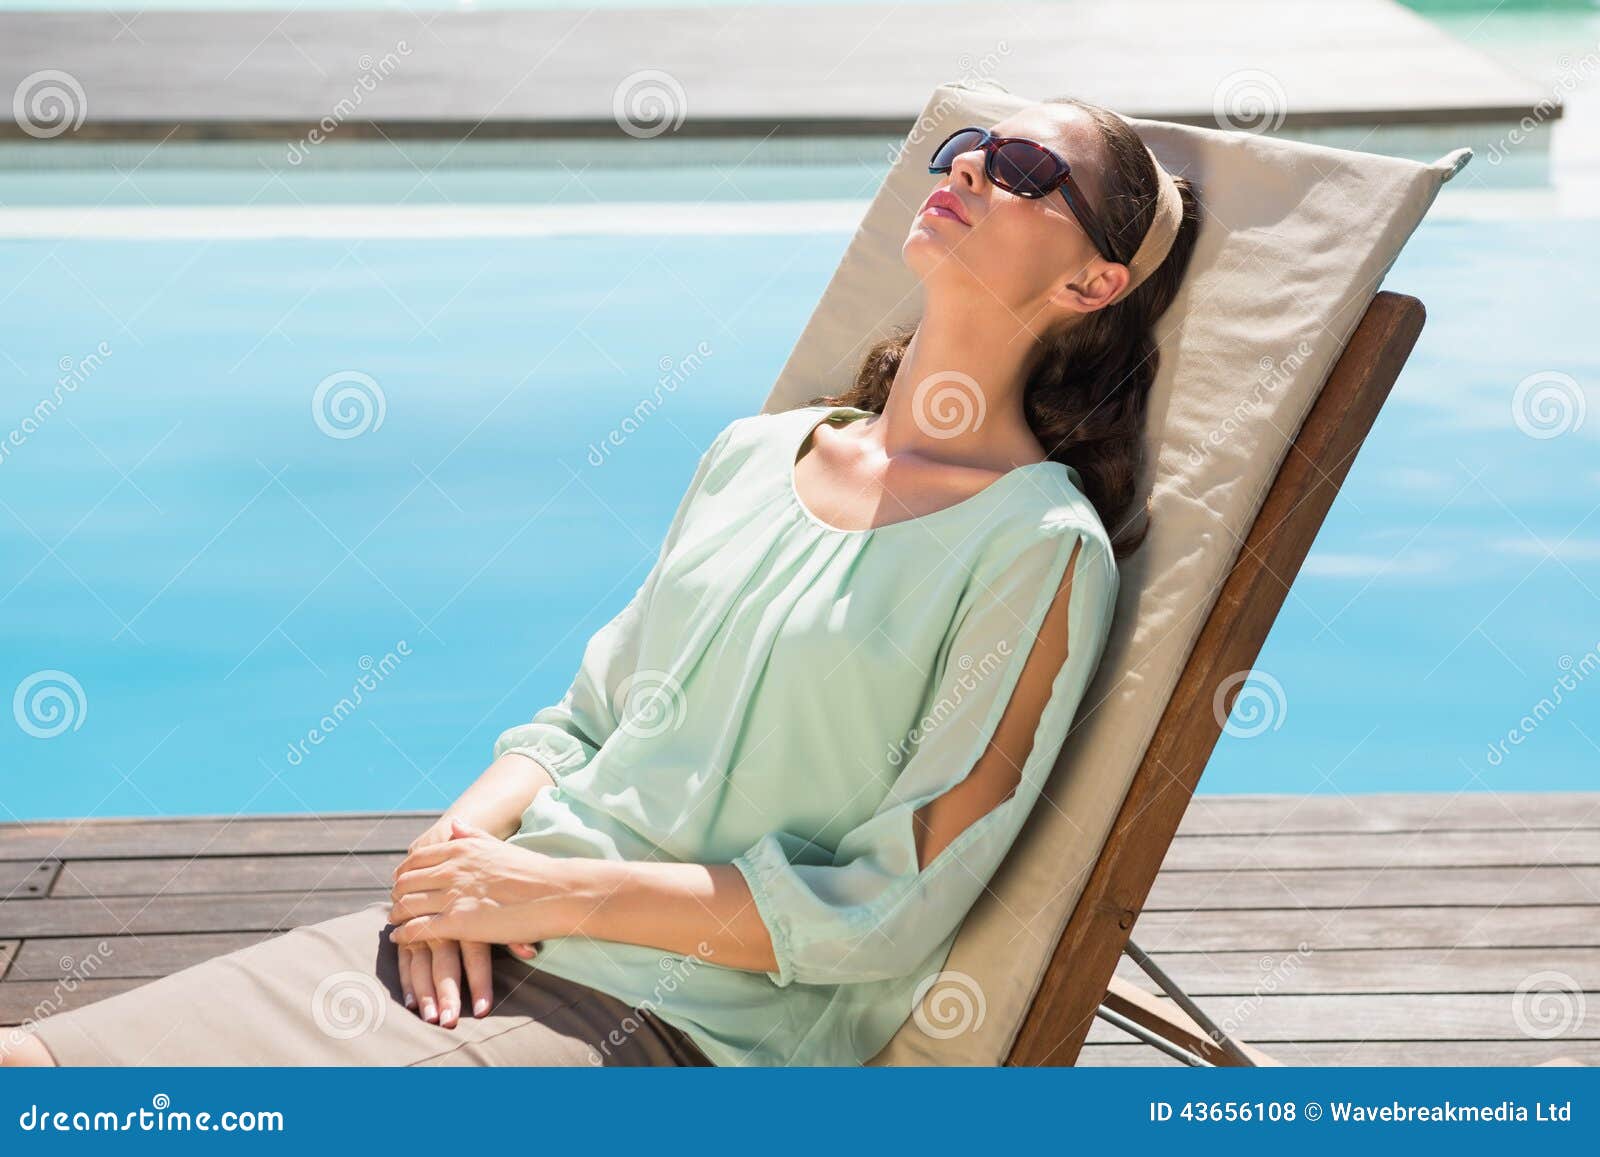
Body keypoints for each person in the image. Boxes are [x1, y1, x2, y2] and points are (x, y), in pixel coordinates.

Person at [4, 97, 1201, 1068]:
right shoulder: (757, 451)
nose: (978, 167)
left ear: (1091, 284)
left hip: (667, 1028)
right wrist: (454, 846)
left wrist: (549, 890)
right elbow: (587, 717)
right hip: (476, 934)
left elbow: (888, 907)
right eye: (970, 149)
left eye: (1028, 164)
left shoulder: (1033, 546)